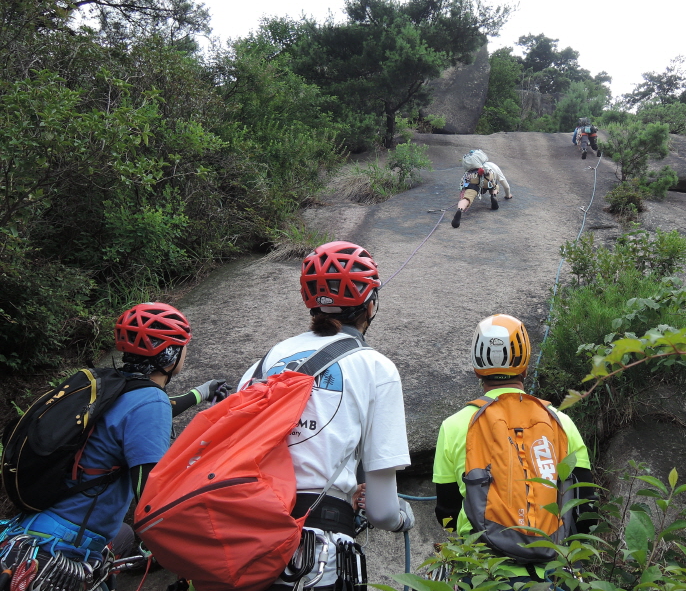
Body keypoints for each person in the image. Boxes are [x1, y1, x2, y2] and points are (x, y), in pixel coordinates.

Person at [0, 302, 228, 591]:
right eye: (184, 346)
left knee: (123, 534)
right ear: (170, 355)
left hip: (38, 522)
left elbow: (147, 409)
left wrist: (202, 392)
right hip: (65, 548)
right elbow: (151, 497)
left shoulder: (111, 384)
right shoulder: (149, 402)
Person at [237, 240, 413, 591]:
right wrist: (401, 519)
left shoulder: (262, 365)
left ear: (310, 301)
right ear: (371, 304)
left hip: (243, 544)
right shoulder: (376, 368)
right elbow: (381, 511)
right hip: (315, 557)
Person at [432, 314, 596, 583]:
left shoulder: (454, 426)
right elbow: (586, 509)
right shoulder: (561, 423)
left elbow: (446, 512)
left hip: (482, 573)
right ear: (525, 366)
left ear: (476, 368)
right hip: (552, 575)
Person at [451, 150, 512, 229]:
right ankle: (493, 195)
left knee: (468, 197)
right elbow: (506, 186)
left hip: (474, 177)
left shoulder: (472, 168)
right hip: (488, 177)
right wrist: (508, 195)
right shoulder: (493, 166)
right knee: (494, 185)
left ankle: (460, 209)